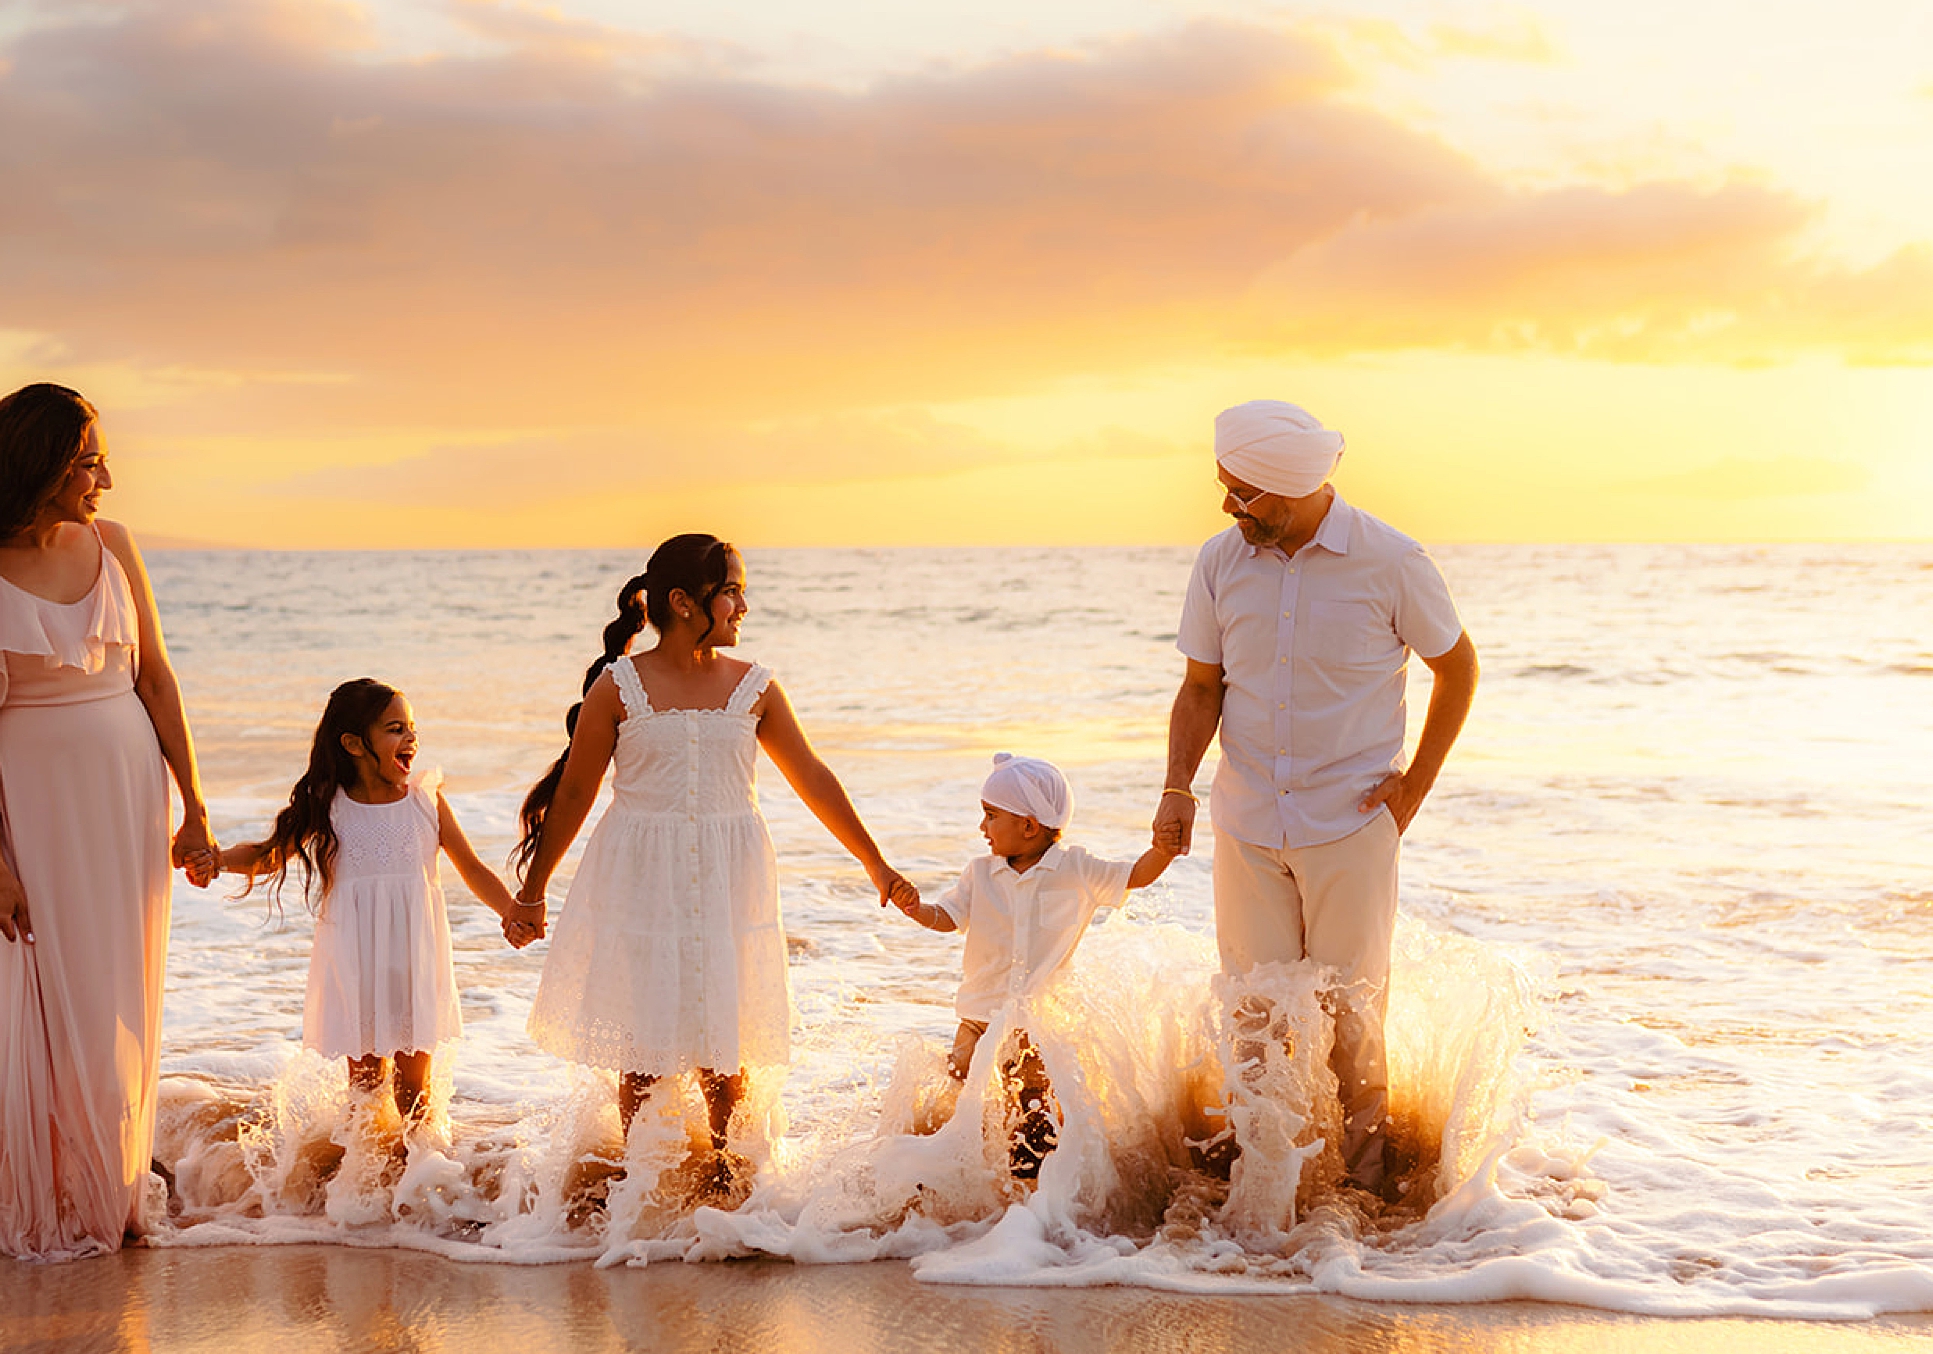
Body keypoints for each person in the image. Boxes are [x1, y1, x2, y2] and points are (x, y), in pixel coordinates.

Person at [0, 382, 216, 1259]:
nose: (106, 473)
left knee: (119, 994)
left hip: (130, 790)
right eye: (88, 458)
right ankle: (53, 1198)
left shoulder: (114, 545)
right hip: (36, 798)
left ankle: (115, 1191)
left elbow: (159, 682)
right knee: (53, 994)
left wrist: (195, 809)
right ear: (44, 465)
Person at [505, 534, 915, 1186]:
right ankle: (644, 1194)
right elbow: (577, 792)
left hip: (730, 884)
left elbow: (812, 775)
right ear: (683, 601)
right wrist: (533, 888)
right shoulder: (619, 687)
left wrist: (875, 862)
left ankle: (732, 1190)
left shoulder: (755, 687)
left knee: (726, 1052)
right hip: (642, 884)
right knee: (643, 1054)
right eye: (731, 590)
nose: (743, 604)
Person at [1153, 400, 1479, 1196]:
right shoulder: (1218, 563)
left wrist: (1414, 789)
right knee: (1255, 1020)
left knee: (1352, 1029)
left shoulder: (1391, 560)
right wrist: (1177, 787)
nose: (1228, 505)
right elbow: (1201, 687)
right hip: (1248, 820)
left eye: (1243, 493)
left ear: (1292, 488)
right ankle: (1262, 1202)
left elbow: (1458, 667)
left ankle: (1358, 1199)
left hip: (1353, 827)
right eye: (1224, 486)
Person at [207, 678, 523, 1142]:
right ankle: (365, 1189)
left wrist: (513, 910)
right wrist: (216, 861)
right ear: (354, 743)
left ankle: (422, 1179)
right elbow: (269, 854)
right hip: (357, 965)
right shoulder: (329, 805)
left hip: (415, 961)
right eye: (396, 728)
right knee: (366, 1088)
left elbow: (472, 867)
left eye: (412, 727)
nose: (411, 738)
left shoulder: (424, 799)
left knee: (414, 1090)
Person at [901, 753, 1174, 1179]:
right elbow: (949, 916)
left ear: (1028, 826)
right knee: (958, 1082)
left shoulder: (1077, 869)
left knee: (1030, 1101)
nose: (981, 828)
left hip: (1035, 1020)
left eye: (990, 816)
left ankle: (1034, 1184)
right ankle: (953, 1171)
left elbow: (1135, 875)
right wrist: (918, 909)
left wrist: (1163, 850)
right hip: (978, 1014)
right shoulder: (980, 873)